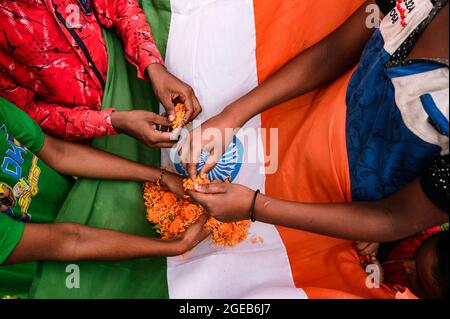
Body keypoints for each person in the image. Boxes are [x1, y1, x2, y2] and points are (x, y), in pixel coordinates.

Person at [183, 0, 449, 244]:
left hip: (334, 215)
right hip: (301, 121)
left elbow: (394, 218)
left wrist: (256, 207)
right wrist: (232, 116)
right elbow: (331, 53)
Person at [0, 96, 207, 268]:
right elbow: (69, 241)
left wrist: (160, 177)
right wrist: (176, 246)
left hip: (74, 203)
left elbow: (59, 153)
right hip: (53, 267)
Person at [0, 0, 201, 145]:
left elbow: (120, 6)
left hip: (135, 74)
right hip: (91, 134)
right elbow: (28, 111)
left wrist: (153, 65)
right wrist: (111, 122)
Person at [356, 229, 449, 299]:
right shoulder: (420, 229)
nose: (405, 264)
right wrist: (376, 231)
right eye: (417, 252)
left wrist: (376, 289)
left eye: (419, 281)